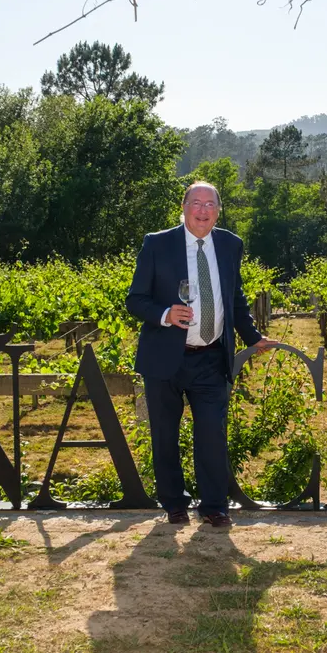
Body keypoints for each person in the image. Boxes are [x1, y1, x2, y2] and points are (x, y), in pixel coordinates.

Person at [125, 182, 276, 527]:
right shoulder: (157, 243)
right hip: (165, 358)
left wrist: (252, 336)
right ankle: (174, 504)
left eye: (210, 204)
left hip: (210, 357)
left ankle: (214, 506)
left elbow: (234, 297)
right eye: (197, 203)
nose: (203, 210)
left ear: (218, 210)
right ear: (184, 206)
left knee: (212, 434)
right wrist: (165, 314)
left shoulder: (230, 244)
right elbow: (135, 299)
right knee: (165, 435)